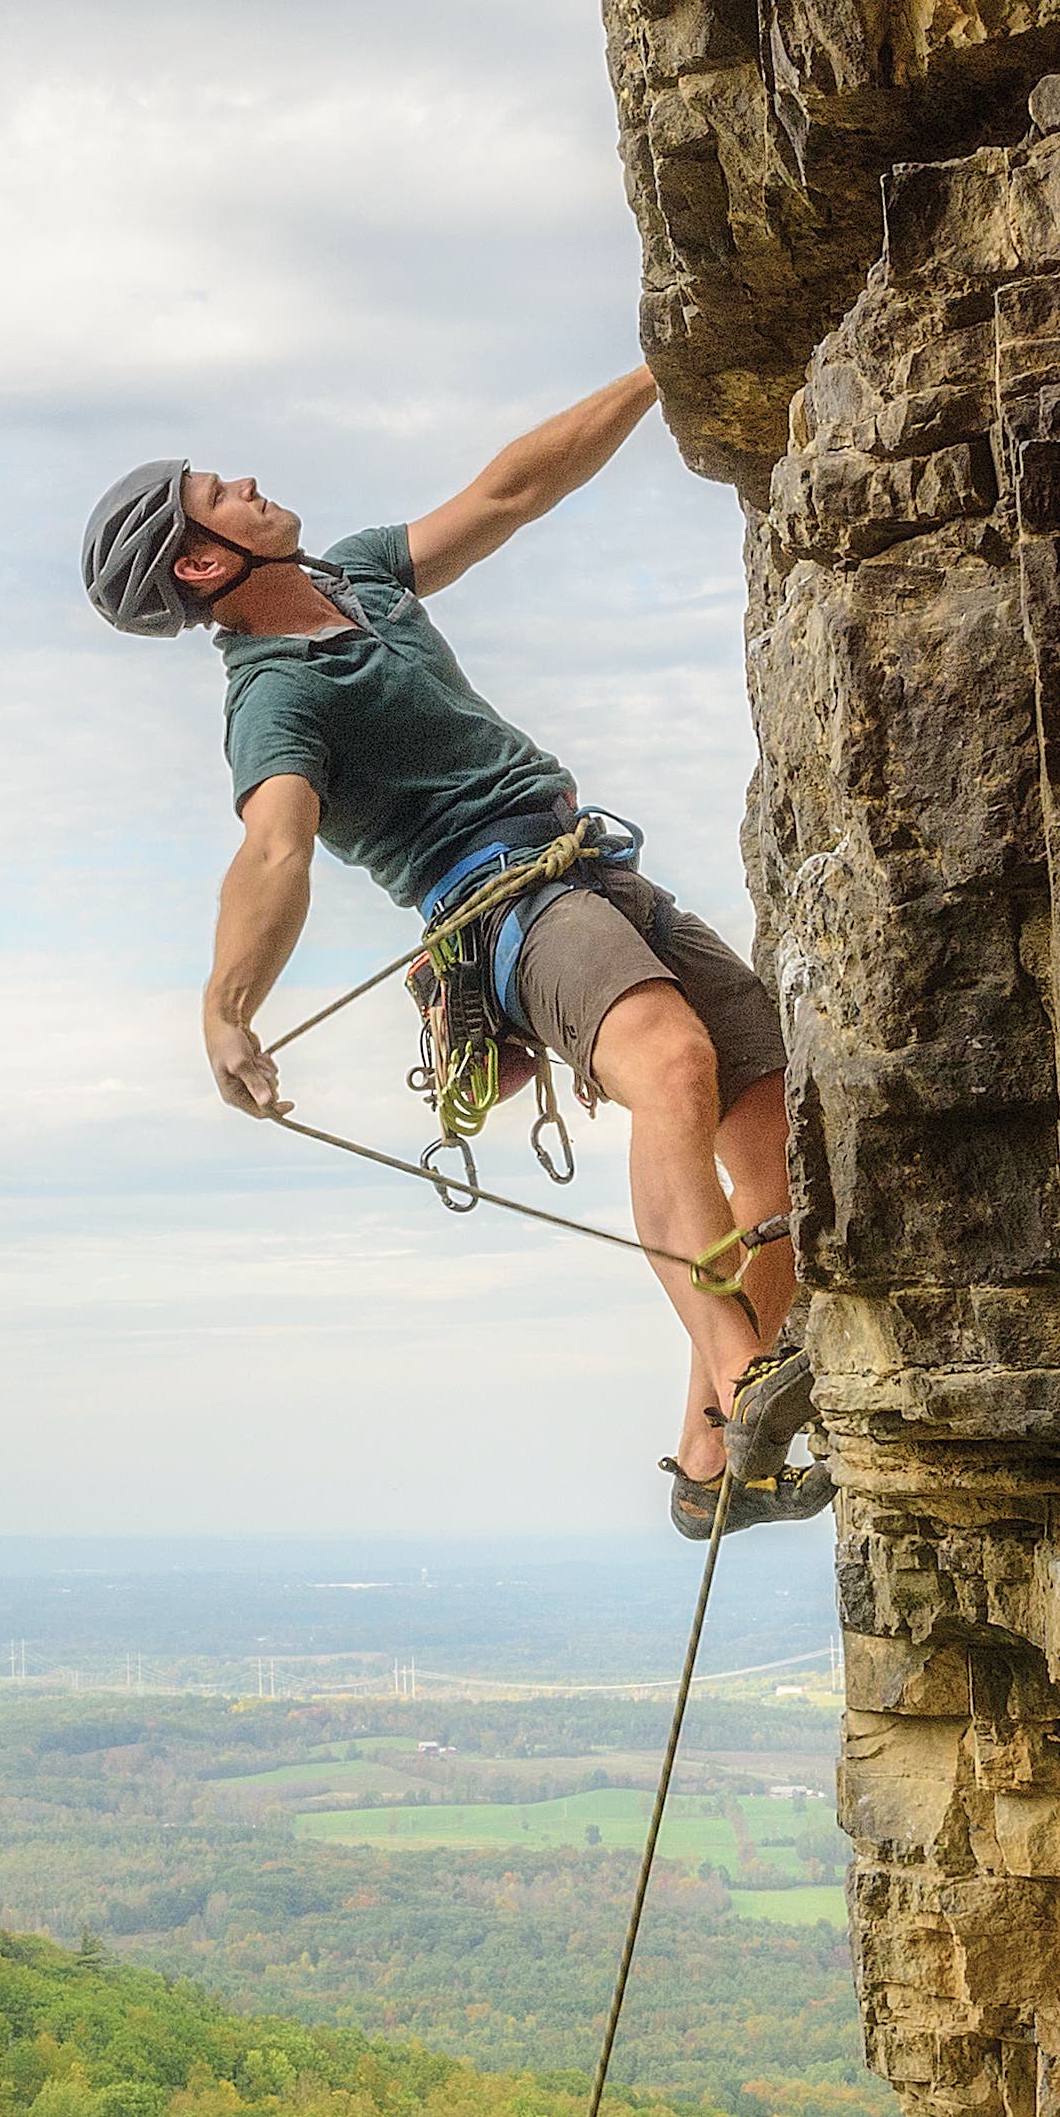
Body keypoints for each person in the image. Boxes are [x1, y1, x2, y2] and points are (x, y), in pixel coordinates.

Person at [81, 368, 829, 1535]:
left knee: (775, 1118)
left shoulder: (357, 577)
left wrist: (658, 370)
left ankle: (714, 1454)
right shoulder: (273, 693)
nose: (251, 482)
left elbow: (511, 489)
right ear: (198, 562)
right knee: (671, 1067)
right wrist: (227, 1007)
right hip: (500, 908)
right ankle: (746, 1378)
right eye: (218, 490)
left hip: (590, 864)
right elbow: (275, 847)